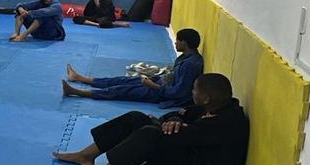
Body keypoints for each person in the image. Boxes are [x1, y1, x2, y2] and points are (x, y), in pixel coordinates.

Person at [54, 73, 247, 165]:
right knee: (136, 118)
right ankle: (86, 156)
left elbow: (174, 134)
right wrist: (173, 120)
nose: (192, 92)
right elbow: (177, 115)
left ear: (206, 98)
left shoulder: (226, 124)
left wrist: (165, 124)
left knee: (150, 134)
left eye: (195, 90)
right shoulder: (215, 107)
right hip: (192, 163)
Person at [61, 28, 203, 107]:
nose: (176, 43)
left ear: (184, 43)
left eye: (177, 41)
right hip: (159, 82)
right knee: (120, 80)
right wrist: (153, 78)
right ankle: (79, 78)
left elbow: (179, 92)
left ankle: (77, 92)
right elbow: (173, 77)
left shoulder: (189, 65)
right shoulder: (187, 57)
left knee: (120, 90)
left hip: (160, 92)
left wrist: (152, 85)